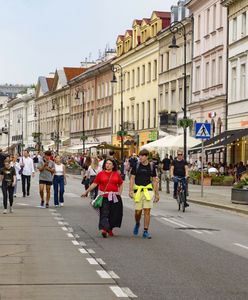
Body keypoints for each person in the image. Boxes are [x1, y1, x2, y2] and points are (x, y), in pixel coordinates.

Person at [82, 158, 123, 238]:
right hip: (104, 197)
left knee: (113, 214)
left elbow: (120, 184)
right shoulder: (101, 174)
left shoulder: (116, 174)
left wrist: (119, 194)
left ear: (113, 165)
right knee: (104, 213)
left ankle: (110, 229)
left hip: (114, 197)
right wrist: (86, 192)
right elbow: (94, 184)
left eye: (110, 164)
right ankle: (105, 229)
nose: (107, 165)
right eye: (106, 163)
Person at [129, 149, 159, 239]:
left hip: (148, 190)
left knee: (147, 211)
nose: (140, 157)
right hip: (138, 190)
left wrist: (156, 193)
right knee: (138, 212)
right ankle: (137, 223)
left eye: (142, 156)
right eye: (140, 156)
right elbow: (132, 178)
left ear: (146, 157)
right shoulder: (136, 165)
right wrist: (130, 190)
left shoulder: (151, 166)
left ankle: (145, 231)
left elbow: (154, 180)